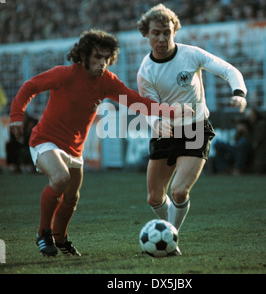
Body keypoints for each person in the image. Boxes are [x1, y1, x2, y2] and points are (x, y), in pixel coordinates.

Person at [9, 29, 191, 257]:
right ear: (83, 56)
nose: (102, 63)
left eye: (106, 58)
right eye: (97, 57)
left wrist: (171, 112)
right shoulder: (65, 74)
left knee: (72, 197)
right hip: (45, 140)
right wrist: (16, 115)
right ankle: (43, 234)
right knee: (60, 178)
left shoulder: (106, 81)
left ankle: (61, 239)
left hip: (74, 148)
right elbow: (30, 86)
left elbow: (135, 101)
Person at [136, 4, 247, 255]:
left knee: (179, 190)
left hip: (196, 129)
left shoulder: (191, 54)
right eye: (156, 33)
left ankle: (171, 239)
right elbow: (149, 108)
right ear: (146, 34)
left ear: (174, 30)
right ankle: (165, 232)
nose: (162, 38)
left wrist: (239, 93)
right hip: (165, 132)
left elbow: (229, 70)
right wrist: (157, 123)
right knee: (154, 197)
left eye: (167, 32)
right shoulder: (146, 71)